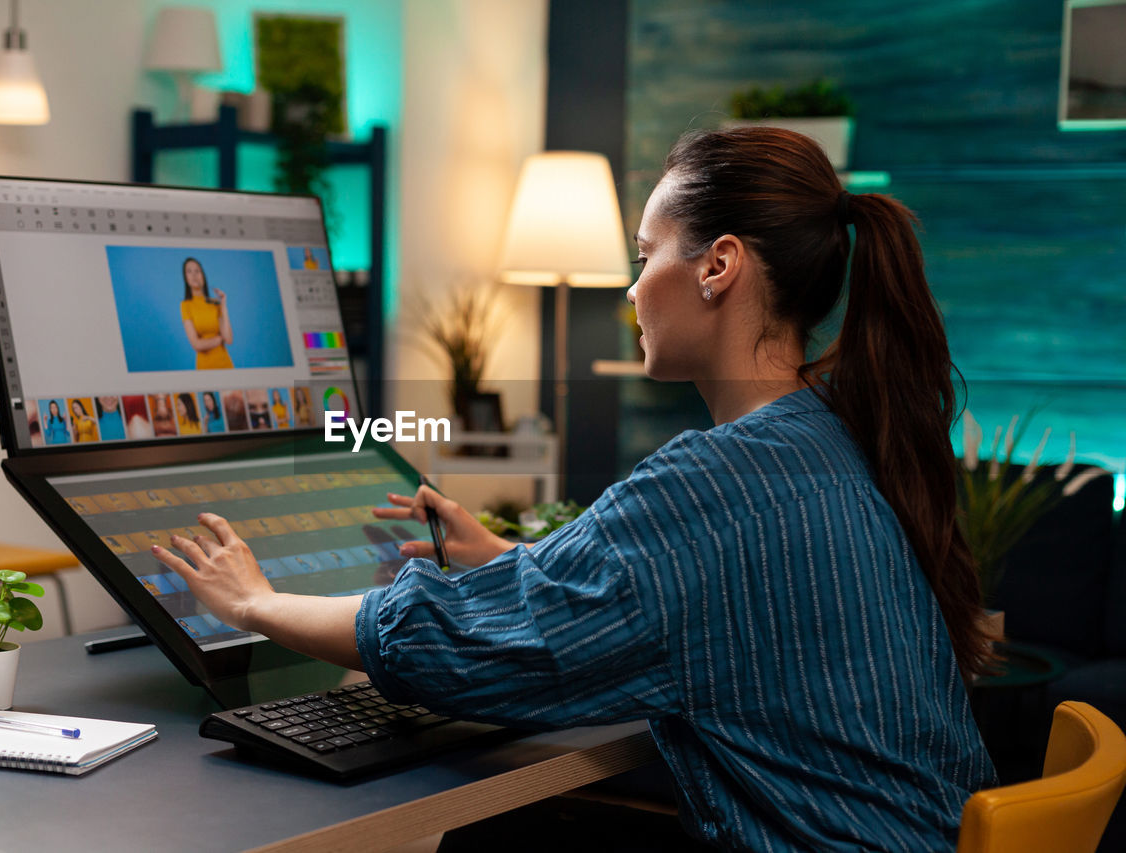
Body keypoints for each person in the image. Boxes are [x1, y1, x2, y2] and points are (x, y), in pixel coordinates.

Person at [151, 127, 995, 851]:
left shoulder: (712, 486)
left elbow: (440, 647)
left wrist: (255, 602)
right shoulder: (830, 435)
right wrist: (517, 566)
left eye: (644, 255)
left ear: (720, 266)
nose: (632, 289)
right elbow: (700, 595)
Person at [179, 257, 234, 370]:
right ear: (186, 278)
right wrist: (219, 339)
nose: (194, 275)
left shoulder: (215, 303)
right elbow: (196, 345)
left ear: (203, 275)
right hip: (205, 367)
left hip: (225, 364)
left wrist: (223, 305)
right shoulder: (186, 305)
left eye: (197, 271)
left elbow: (228, 339)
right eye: (189, 271)